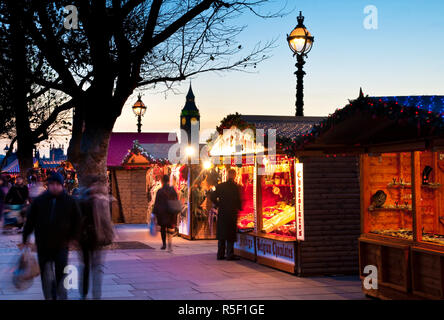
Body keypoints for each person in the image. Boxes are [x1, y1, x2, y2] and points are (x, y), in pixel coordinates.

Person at [21, 172, 81, 300]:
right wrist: (25, 238)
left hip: (62, 245)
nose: (54, 187)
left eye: (57, 184)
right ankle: (49, 297)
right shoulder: (39, 201)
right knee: (46, 277)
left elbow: (77, 221)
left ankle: (62, 296)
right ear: (48, 185)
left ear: (62, 185)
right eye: (52, 184)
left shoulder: (70, 201)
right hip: (43, 245)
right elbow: (30, 221)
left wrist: (74, 238)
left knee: (61, 274)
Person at [78, 176, 114, 300]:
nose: (96, 187)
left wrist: (109, 236)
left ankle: (96, 294)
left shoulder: (102, 201)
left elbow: (106, 220)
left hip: (98, 238)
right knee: (86, 267)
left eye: (98, 185)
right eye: (94, 184)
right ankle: (83, 293)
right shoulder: (83, 200)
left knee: (97, 267)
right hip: (84, 238)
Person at [209, 169, 242, 261]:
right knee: (230, 234)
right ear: (234, 176)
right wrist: (240, 208)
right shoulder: (235, 187)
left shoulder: (221, 186)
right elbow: (238, 200)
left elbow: (212, 196)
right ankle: (229, 254)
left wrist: (218, 204)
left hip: (223, 212)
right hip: (231, 213)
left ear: (227, 175)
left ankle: (220, 254)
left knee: (222, 234)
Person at [153, 174, 179, 251]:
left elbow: (156, 202)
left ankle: (164, 244)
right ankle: (170, 244)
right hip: (170, 211)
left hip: (162, 212)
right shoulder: (172, 189)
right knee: (170, 228)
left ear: (162, 181)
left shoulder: (160, 191)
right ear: (168, 180)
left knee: (163, 228)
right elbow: (176, 199)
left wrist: (154, 212)